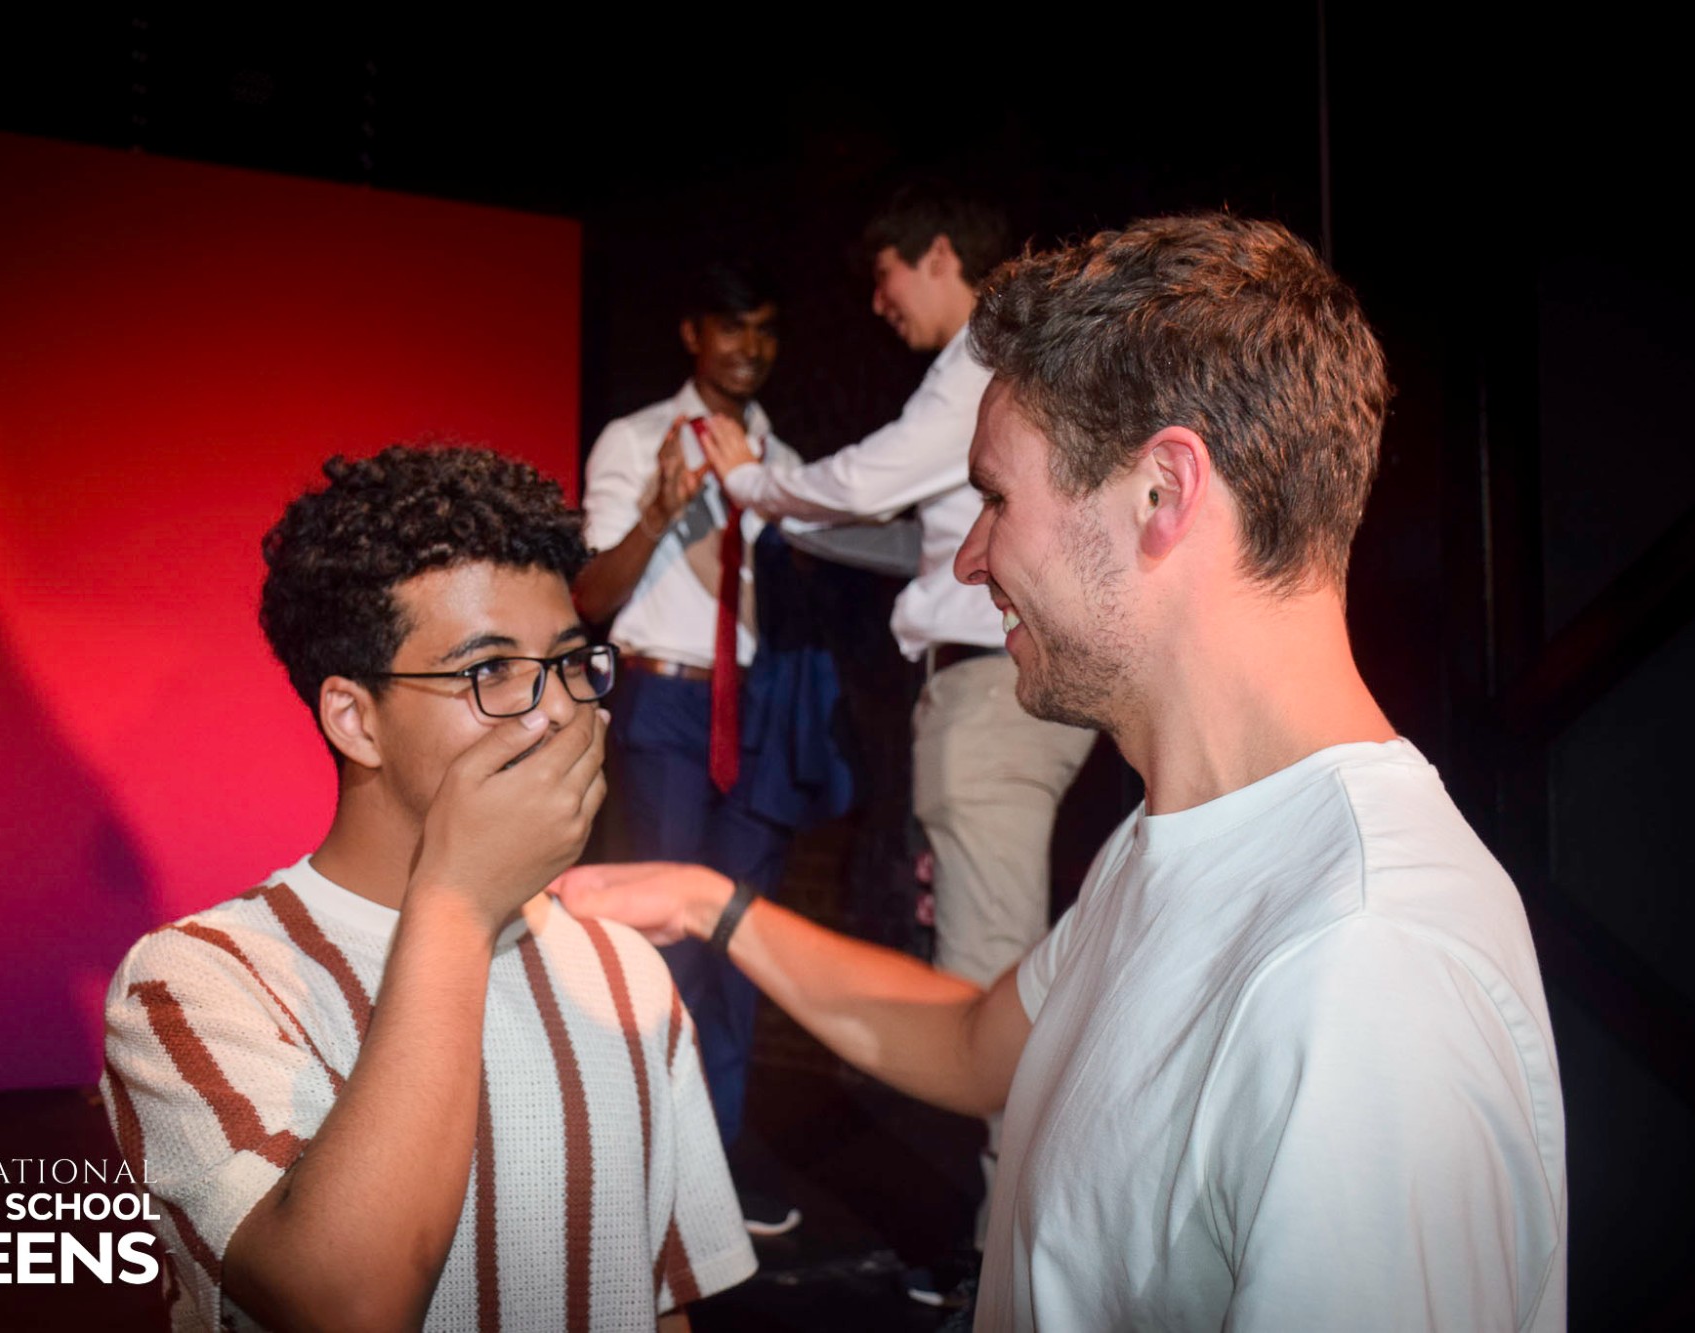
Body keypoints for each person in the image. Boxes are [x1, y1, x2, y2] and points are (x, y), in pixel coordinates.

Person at [557, 215, 1569, 1330]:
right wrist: (707, 900)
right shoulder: (1168, 837)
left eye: (996, 498)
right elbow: (975, 1045)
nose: (967, 557)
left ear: (1162, 493)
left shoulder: (1366, 970)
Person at [101, 445, 753, 1332]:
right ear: (355, 718)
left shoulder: (623, 971)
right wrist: (456, 904)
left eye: (570, 661)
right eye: (490, 671)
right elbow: (347, 1303)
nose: (560, 709)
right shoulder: (197, 981)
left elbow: (658, 1302)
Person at [688, 185, 1097, 1268]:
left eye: (885, 275)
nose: (878, 302)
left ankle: (1002, 1274)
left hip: (988, 698)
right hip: (983, 695)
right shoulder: (1005, 368)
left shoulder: (980, 359)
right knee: (996, 976)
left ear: (939, 254)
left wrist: (756, 483)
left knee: (985, 995)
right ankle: (996, 1259)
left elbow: (874, 477)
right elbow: (915, 535)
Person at [575, 261, 806, 1235]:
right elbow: (589, 596)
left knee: (740, 938)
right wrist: (661, 510)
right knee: (662, 938)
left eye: (765, 328)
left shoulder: (781, 458)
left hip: (756, 711)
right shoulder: (634, 440)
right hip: (665, 704)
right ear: (692, 334)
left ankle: (714, 1168)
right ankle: (640, 1168)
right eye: (731, 327)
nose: (749, 347)